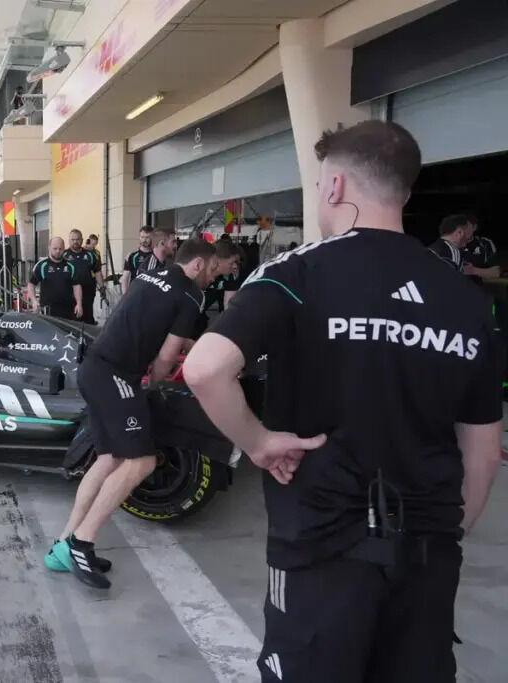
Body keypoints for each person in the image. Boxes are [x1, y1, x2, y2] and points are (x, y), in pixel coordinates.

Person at [184, 120, 502, 682]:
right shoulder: (466, 298)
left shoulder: (297, 271)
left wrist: (258, 443)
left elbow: (205, 368)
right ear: (404, 193)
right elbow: (483, 449)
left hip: (320, 546)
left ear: (334, 186)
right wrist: (445, 531)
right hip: (426, 553)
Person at [45, 239, 217, 588]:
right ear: (197, 265)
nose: (214, 277)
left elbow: (150, 326)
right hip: (116, 375)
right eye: (213, 269)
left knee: (108, 459)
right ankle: (82, 543)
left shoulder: (149, 276)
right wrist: (156, 383)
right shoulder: (190, 295)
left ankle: (63, 544)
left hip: (94, 368)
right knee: (142, 462)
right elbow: (166, 357)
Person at [28, 236, 83, 320]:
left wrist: (79, 304)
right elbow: (31, 284)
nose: (58, 251)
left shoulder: (71, 266)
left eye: (60, 249)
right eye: (55, 248)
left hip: (67, 311)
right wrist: (34, 301)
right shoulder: (41, 266)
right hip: (47, 311)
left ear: (64, 248)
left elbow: (76, 286)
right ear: (49, 248)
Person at [63, 229, 104, 324]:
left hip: (88, 292)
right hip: (69, 293)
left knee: (88, 318)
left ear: (82, 240)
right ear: (69, 240)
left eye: (77, 239)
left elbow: (97, 272)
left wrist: (102, 287)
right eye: (73, 239)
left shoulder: (91, 255)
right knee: (72, 320)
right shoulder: (63, 255)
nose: (75, 242)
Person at [462, 215, 499, 280]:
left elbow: (496, 273)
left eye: (466, 227)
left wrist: (473, 270)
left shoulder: (485, 244)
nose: (463, 230)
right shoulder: (450, 244)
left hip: (475, 285)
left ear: (474, 227)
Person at [121, 226, 154, 294]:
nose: (144, 240)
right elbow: (125, 278)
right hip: (135, 292)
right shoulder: (132, 256)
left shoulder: (156, 256)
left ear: (152, 238)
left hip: (151, 292)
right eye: (142, 237)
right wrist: (125, 296)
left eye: (147, 237)